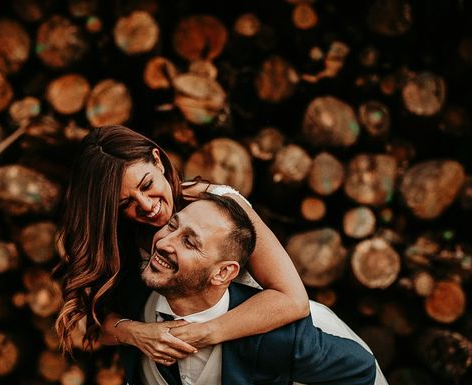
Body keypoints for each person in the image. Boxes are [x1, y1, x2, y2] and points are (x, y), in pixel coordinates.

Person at [98, 195, 439, 385]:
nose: (165, 242)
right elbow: (85, 327)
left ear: (223, 273)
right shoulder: (134, 296)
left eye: (189, 241)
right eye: (172, 226)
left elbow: (361, 369)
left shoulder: (275, 337)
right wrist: (131, 332)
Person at [55, 125, 309, 362]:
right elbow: (96, 323)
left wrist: (203, 333)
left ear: (157, 160)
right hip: (167, 384)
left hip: (255, 357)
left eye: (147, 185)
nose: (146, 205)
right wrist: (137, 333)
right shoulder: (115, 237)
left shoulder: (222, 206)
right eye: (125, 204)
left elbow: (292, 299)